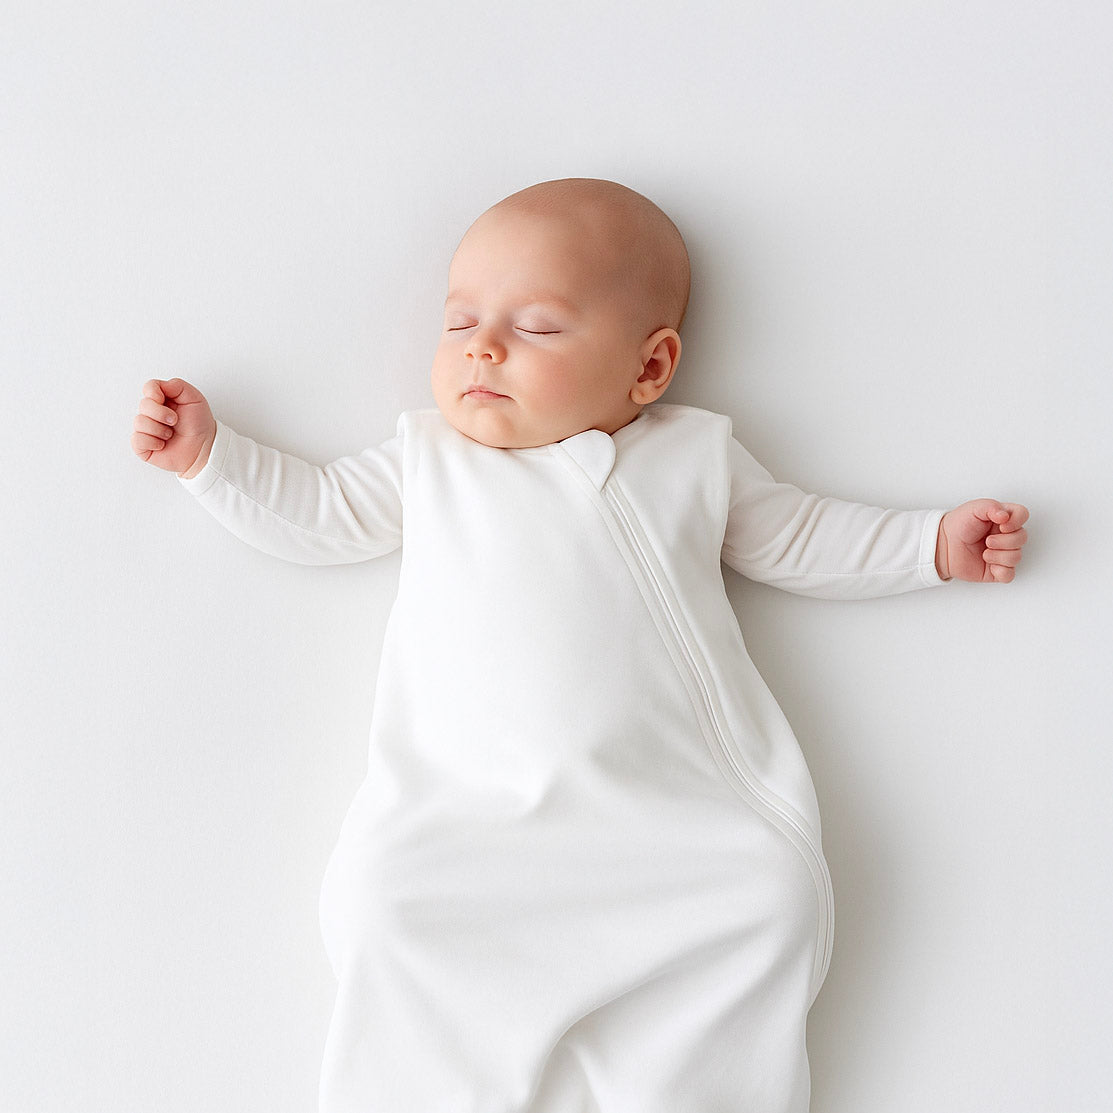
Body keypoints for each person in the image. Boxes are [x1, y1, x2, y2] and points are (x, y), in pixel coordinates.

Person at [131, 178, 1028, 1113]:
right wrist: (212, 459)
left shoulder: (693, 456)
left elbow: (799, 537)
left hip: (668, 828)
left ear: (649, 368)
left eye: (538, 328)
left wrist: (929, 544)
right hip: (463, 830)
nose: (483, 346)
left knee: (762, 900)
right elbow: (318, 512)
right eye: (461, 320)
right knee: (387, 913)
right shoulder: (432, 459)